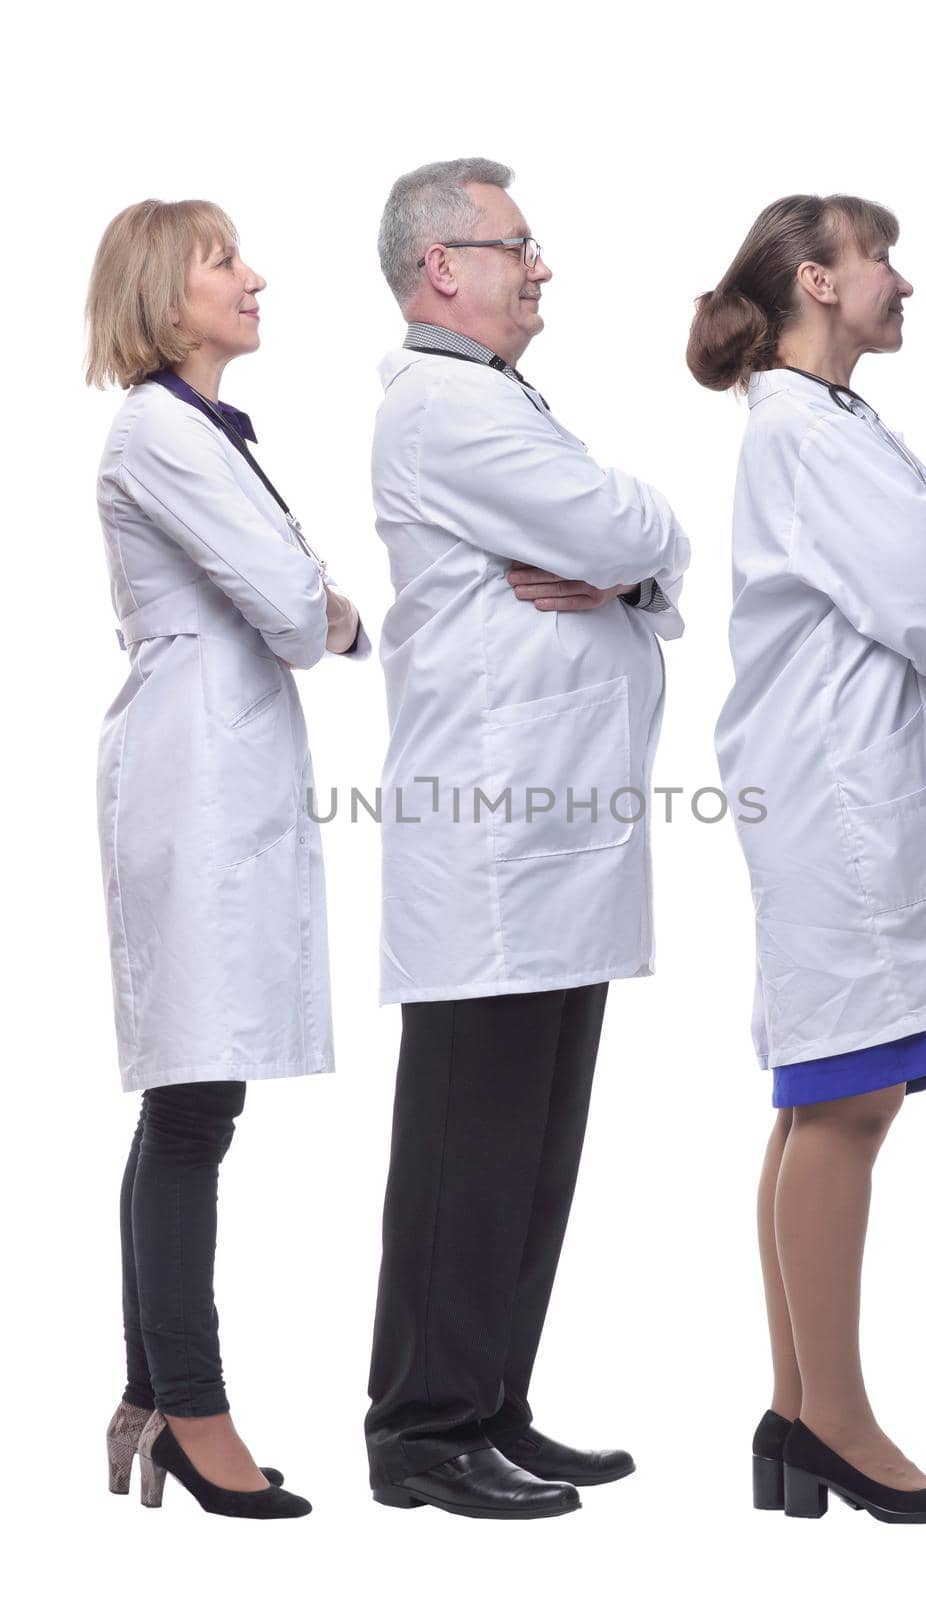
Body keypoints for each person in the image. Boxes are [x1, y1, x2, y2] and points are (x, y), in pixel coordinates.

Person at [688, 194, 926, 1524]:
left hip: (853, 791)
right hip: (847, 805)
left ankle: (790, 1416)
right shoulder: (795, 426)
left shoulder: (821, 423)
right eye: (876, 258)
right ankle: (833, 1418)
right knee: (841, 1100)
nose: (900, 280)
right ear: (814, 283)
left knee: (822, 1100)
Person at [364, 157, 690, 1519]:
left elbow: (638, 555)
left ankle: (493, 1403)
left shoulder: (495, 401)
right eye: (516, 245)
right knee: (467, 1146)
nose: (538, 266)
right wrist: (636, 549)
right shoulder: (443, 407)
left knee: (534, 1143)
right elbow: (629, 522)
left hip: (554, 838)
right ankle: (421, 1433)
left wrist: (633, 564)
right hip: (492, 849)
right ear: (442, 265)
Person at [86, 198, 370, 1519]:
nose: (253, 278)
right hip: (191, 780)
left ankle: (155, 1394)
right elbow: (291, 602)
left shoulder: (201, 434)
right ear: (163, 291)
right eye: (222, 262)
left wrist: (316, 601)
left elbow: (300, 596)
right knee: (194, 1102)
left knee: (198, 1101)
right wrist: (321, 604)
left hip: (223, 770)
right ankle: (194, 1412)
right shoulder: (154, 429)